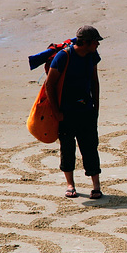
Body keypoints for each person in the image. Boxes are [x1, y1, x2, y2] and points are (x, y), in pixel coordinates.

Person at [46, 25, 103, 199]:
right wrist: (56, 112)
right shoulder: (64, 57)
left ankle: (96, 186)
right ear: (86, 42)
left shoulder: (92, 56)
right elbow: (50, 84)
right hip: (66, 112)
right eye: (95, 42)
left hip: (86, 110)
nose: (98, 45)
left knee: (90, 147)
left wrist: (96, 108)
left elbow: (94, 81)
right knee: (68, 148)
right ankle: (70, 184)